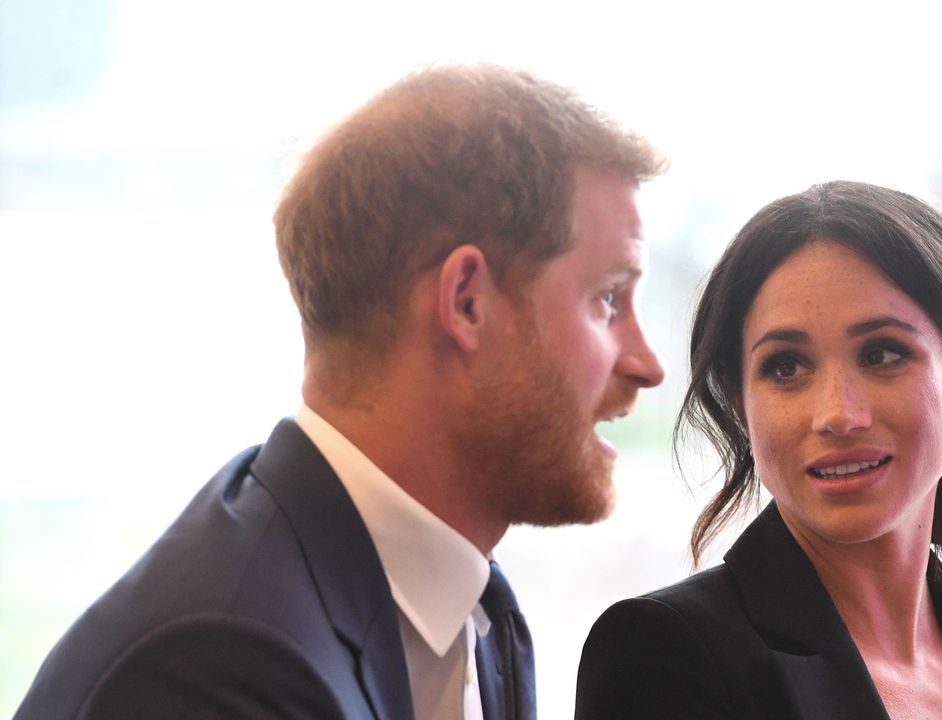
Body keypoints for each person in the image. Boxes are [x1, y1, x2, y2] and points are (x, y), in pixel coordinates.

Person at [16, 63, 666, 720]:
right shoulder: (219, 666)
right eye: (608, 299)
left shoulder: (469, 604)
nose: (648, 363)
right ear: (467, 302)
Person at [576, 181, 942, 720]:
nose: (838, 416)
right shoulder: (662, 657)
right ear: (741, 406)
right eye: (785, 366)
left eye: (881, 354)